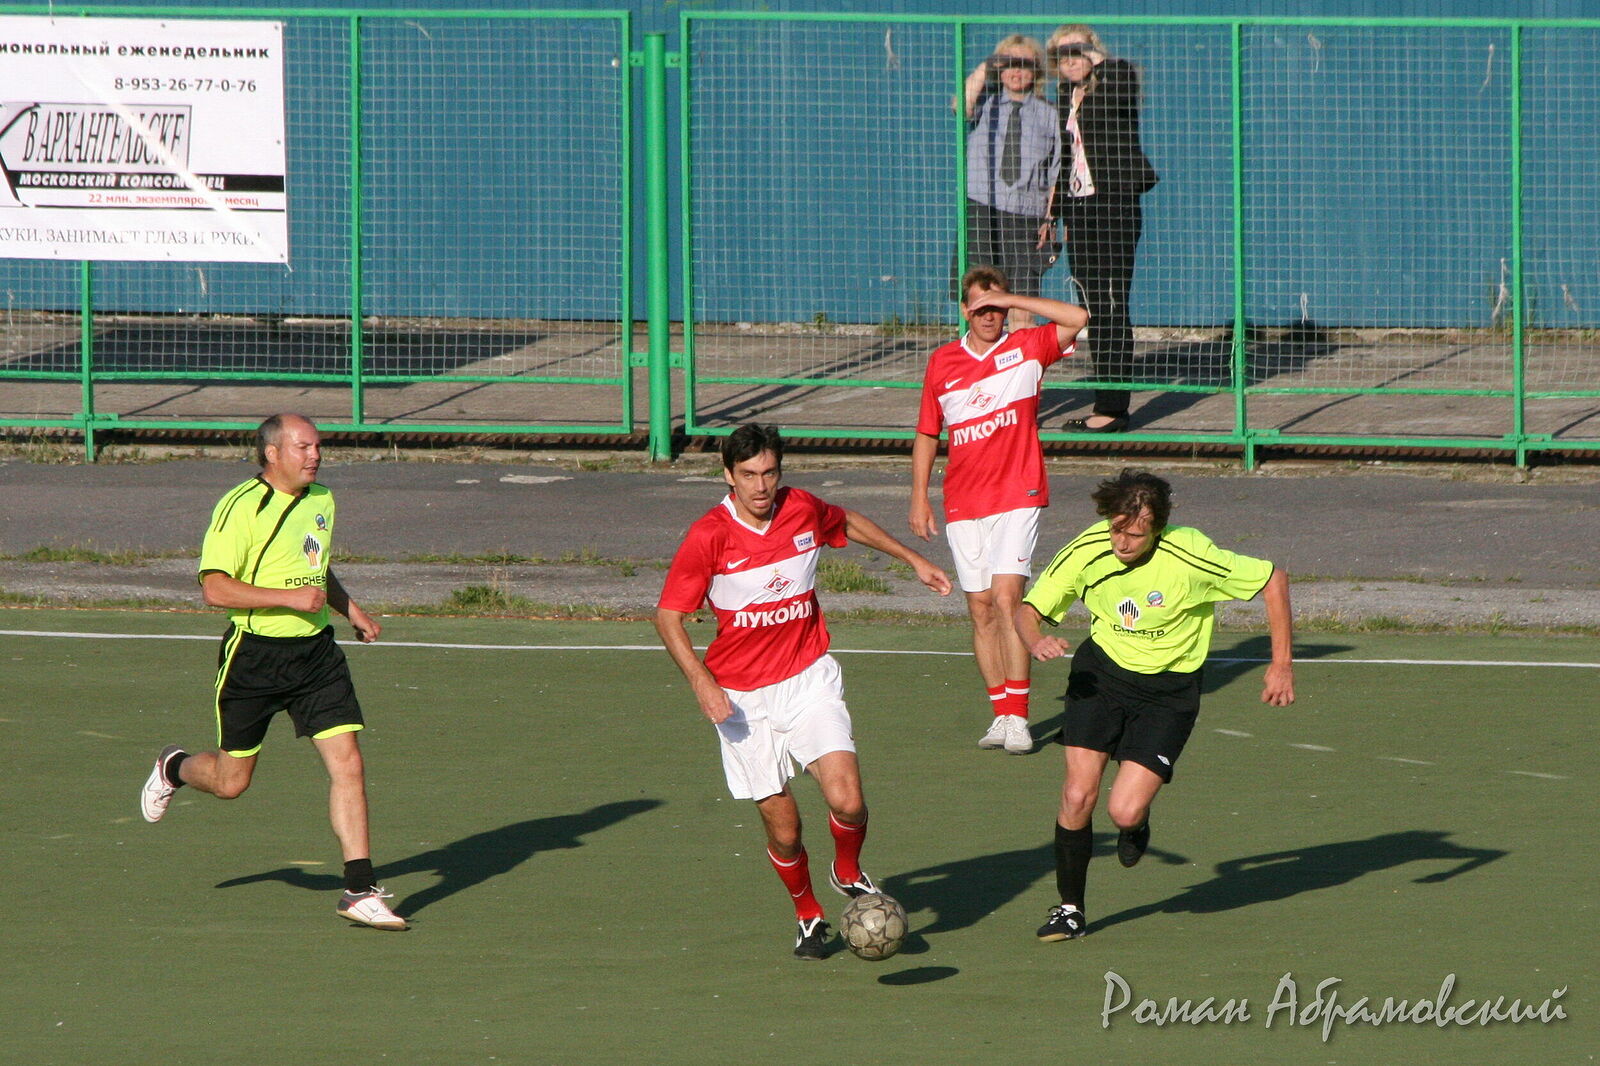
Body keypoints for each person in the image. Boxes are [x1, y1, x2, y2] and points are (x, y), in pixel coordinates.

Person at [656, 424, 952, 959]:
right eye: (748, 475)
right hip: (741, 700)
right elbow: (668, 616)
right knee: (786, 832)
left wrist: (914, 560)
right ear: (728, 476)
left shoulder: (802, 508)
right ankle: (808, 914)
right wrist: (702, 681)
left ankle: (847, 869)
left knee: (848, 800)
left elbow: (848, 521)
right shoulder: (709, 536)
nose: (761, 486)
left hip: (807, 677)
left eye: (769, 472)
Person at [138, 413, 406, 932]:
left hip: (316, 657)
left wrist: (351, 610)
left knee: (348, 763)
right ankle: (175, 767)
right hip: (254, 659)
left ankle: (359, 889)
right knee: (231, 783)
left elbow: (313, 568)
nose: (315, 456)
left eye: (318, 447)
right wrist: (286, 598)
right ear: (272, 453)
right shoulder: (241, 506)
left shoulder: (322, 500)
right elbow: (215, 588)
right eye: (304, 447)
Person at [1013, 469, 1295, 941]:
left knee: (1123, 811)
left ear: (1158, 529)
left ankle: (1136, 826)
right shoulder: (1088, 549)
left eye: (1135, 534)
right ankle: (1070, 910)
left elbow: (1274, 581)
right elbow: (1028, 611)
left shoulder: (1190, 554)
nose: (1122, 543)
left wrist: (1281, 664)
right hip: (1101, 677)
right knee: (1077, 795)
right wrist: (1035, 639)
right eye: (1116, 529)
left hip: (1168, 692)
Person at [910, 266, 1088, 755]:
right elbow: (927, 433)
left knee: (1009, 599)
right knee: (981, 608)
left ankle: (1020, 718)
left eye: (997, 307)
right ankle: (1002, 712)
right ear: (965, 310)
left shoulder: (1029, 346)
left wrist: (1013, 299)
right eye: (981, 307)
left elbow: (1077, 317)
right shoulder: (943, 362)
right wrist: (919, 496)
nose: (990, 316)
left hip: (1018, 495)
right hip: (964, 502)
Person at [1044, 24, 1159, 433]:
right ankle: (1106, 401)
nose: (1070, 61)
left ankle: (1112, 408)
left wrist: (1094, 57)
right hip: (1080, 209)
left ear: (1094, 52)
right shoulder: (1063, 95)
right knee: (1091, 306)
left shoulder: (1116, 80)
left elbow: (1121, 82)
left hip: (1114, 205)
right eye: (1062, 55)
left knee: (1111, 303)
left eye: (1078, 51)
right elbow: (1063, 160)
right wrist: (1054, 215)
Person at [959, 34, 1061, 335]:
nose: (1016, 71)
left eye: (1024, 64)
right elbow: (960, 107)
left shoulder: (1050, 113)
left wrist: (1050, 218)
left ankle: (1020, 364)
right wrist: (986, 66)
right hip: (983, 210)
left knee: (1022, 305)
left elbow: (1056, 172)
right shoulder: (984, 103)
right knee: (981, 304)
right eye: (1009, 64)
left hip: (1026, 215)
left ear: (1037, 70)